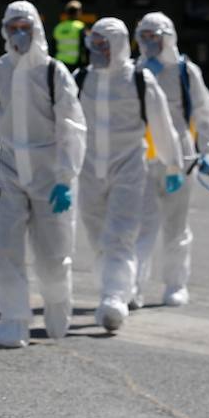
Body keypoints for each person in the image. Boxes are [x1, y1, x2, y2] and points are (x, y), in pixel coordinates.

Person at [0, 1, 87, 347]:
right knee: (5, 249)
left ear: (37, 29)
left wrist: (65, 177)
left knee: (54, 255)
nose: (18, 33)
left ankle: (57, 303)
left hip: (49, 174)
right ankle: (14, 318)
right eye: (12, 27)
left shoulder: (53, 72)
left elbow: (71, 126)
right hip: (8, 172)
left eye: (24, 26)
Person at [74, 17, 183, 332]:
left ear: (119, 45)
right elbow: (65, 125)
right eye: (94, 43)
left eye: (103, 44)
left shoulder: (139, 80)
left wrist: (173, 163)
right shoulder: (81, 79)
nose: (98, 49)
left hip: (128, 169)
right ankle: (116, 286)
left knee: (119, 235)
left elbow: (161, 125)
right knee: (97, 239)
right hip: (88, 170)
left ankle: (114, 298)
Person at [131, 12, 209, 308]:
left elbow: (206, 112)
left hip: (181, 160)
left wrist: (206, 151)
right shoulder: (133, 72)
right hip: (145, 159)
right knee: (141, 226)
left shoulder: (185, 71)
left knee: (176, 227)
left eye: (154, 36)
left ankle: (175, 285)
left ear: (168, 37)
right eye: (144, 36)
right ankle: (134, 288)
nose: (149, 42)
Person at [53, 1, 86, 72]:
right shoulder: (79, 27)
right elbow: (84, 46)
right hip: (75, 64)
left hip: (60, 62)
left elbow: (53, 47)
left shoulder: (58, 27)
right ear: (78, 12)